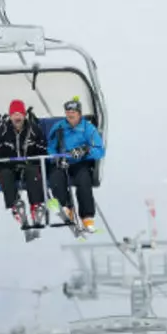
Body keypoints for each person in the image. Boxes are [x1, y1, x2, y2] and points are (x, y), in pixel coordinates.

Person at [46, 96, 105, 232]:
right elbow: (50, 147)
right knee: (56, 177)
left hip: (80, 162)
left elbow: (99, 150)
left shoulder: (88, 128)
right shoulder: (59, 128)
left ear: (79, 114)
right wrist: (56, 158)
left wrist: (85, 150)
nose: (70, 117)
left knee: (83, 179)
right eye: (68, 114)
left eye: (73, 114)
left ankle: (87, 216)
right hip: (63, 161)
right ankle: (66, 207)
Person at [0, 99, 48, 228]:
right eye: (14, 114)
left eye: (19, 114)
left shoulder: (33, 129)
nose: (17, 117)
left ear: (24, 115)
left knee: (33, 171)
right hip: (10, 166)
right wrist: (6, 156)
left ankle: (36, 206)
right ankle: (15, 205)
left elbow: (43, 148)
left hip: (28, 164)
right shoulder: (3, 130)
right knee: (5, 174)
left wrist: (31, 156)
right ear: (10, 116)